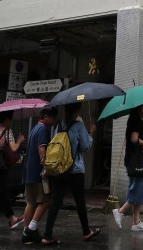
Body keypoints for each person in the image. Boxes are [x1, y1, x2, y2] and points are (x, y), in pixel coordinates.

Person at [42, 102, 100, 244]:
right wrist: (91, 133)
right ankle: (86, 231)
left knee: (56, 202)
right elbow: (86, 147)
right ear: (77, 111)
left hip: (60, 169)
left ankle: (47, 235)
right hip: (75, 169)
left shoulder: (58, 126)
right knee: (80, 201)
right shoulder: (79, 126)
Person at [21, 106, 58, 244]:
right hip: (38, 172)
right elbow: (42, 149)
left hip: (28, 171)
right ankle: (32, 228)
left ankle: (26, 232)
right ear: (47, 117)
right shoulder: (43, 129)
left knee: (31, 202)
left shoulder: (35, 128)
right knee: (45, 200)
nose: (54, 121)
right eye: (53, 118)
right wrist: (46, 168)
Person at [113, 106, 143, 232]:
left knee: (137, 188)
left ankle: (136, 222)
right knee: (142, 189)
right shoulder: (136, 121)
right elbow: (134, 139)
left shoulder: (136, 120)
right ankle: (121, 211)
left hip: (136, 160)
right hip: (136, 161)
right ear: (139, 108)